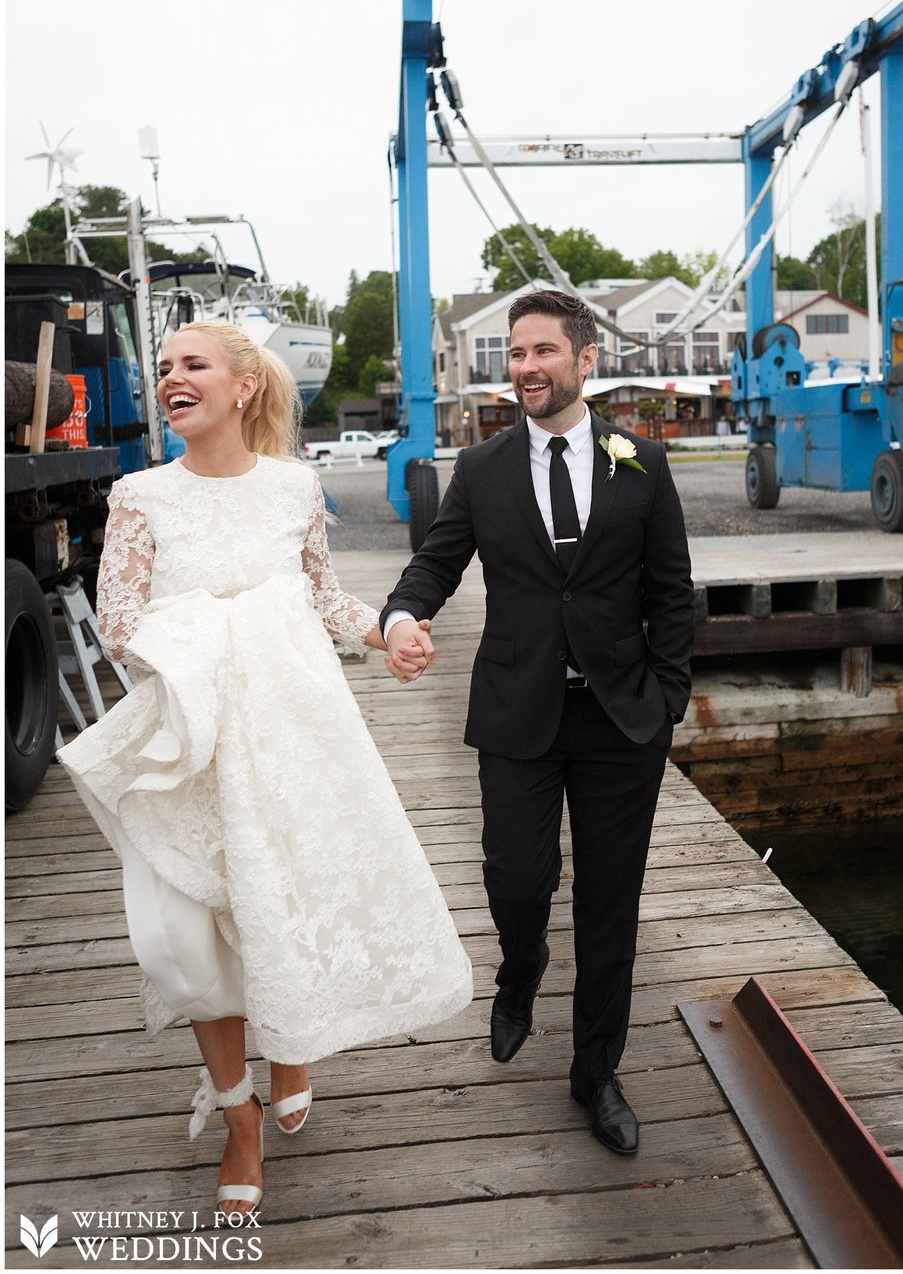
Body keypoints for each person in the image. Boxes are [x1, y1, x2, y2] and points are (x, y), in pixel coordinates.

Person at [58, 322, 472, 1217]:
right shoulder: (139, 496)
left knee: (286, 897)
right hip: (193, 738)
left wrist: (389, 628)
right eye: (164, 368)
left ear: (243, 386)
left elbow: (323, 597)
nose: (171, 378)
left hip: (295, 734)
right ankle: (238, 1114)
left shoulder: (295, 487)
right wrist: (221, 634)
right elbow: (120, 623)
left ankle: (293, 1042)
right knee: (192, 935)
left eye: (192, 365)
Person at [382, 290, 694, 1156]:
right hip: (518, 715)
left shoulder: (644, 462)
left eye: (542, 351)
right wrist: (403, 617)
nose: (524, 367)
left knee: (610, 908)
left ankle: (595, 1073)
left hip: (622, 723)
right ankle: (521, 970)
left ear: (585, 360)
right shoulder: (481, 469)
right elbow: (433, 566)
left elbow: (671, 591)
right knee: (517, 881)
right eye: (514, 352)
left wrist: (667, 699)